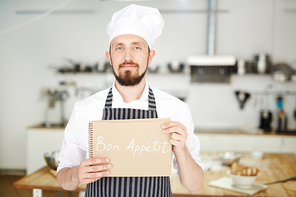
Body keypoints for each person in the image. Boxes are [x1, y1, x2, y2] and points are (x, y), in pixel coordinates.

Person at [56, 4, 204, 196]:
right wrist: (75, 174)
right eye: (119, 48)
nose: (127, 57)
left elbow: (194, 185)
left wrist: (181, 150)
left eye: (136, 47)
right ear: (109, 57)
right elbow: (64, 180)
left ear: (150, 56)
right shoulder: (85, 109)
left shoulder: (175, 109)